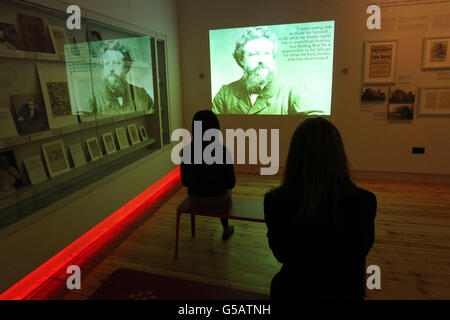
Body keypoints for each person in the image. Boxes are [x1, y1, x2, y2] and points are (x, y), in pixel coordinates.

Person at [264, 117, 377, 299]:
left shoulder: (275, 200)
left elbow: (281, 254)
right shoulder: (364, 201)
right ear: (338, 153)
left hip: (292, 291)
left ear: (295, 154)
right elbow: (358, 253)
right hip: (345, 291)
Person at [212, 26, 322, 115]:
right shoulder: (225, 94)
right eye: (254, 54)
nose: (261, 60)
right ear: (241, 60)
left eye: (267, 53)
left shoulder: (291, 91)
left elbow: (316, 126)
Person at [180, 110, 236, 239]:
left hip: (194, 202)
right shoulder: (223, 151)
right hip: (220, 204)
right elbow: (231, 182)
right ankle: (226, 228)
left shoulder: (186, 151)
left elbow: (185, 182)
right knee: (226, 190)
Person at [90, 40, 154, 115]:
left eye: (116, 63)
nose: (111, 69)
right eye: (107, 63)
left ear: (127, 67)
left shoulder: (141, 95)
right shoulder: (95, 98)